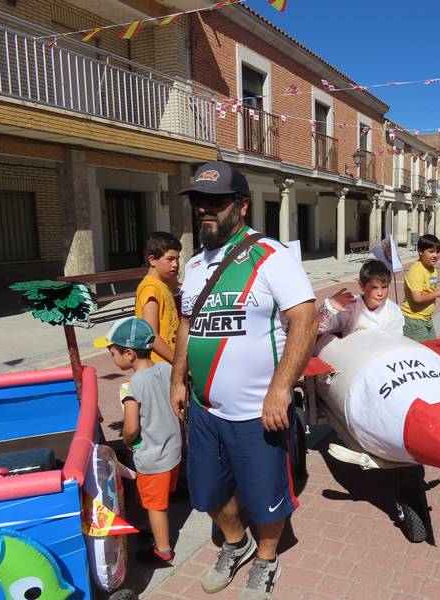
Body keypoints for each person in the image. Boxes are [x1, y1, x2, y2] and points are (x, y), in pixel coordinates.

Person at [169, 161, 317, 600]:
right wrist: (178, 379)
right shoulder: (195, 265)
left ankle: (266, 560)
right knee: (207, 492)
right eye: (199, 201)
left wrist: (279, 389)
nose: (204, 210)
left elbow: (304, 321)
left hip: (258, 411)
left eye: (215, 201)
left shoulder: (271, 256)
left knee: (267, 495)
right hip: (204, 408)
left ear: (242, 205)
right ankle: (237, 545)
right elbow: (185, 325)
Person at [93, 316, 182, 565]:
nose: (113, 358)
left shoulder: (135, 386)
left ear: (129, 354)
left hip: (152, 457)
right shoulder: (166, 369)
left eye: (113, 353)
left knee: (155, 505)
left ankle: (163, 550)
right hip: (173, 450)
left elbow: (131, 427)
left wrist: (126, 439)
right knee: (160, 500)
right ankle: (155, 530)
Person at [317, 259, 403, 341]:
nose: (380, 293)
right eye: (374, 287)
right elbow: (319, 328)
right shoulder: (350, 306)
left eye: (384, 287)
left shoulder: (394, 310)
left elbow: (396, 339)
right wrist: (330, 306)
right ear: (361, 285)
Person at [135, 231, 182, 363]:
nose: (175, 264)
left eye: (177, 259)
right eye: (170, 259)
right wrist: (178, 362)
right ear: (152, 260)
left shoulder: (163, 284)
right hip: (160, 367)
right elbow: (150, 334)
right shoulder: (151, 288)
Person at [401, 234, 440, 342]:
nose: (435, 255)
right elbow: (417, 298)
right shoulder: (417, 270)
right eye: (431, 251)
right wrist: (437, 293)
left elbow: (430, 290)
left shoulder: (432, 269)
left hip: (426, 319)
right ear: (420, 252)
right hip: (414, 321)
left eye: (437, 252)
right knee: (420, 354)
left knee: (432, 351)